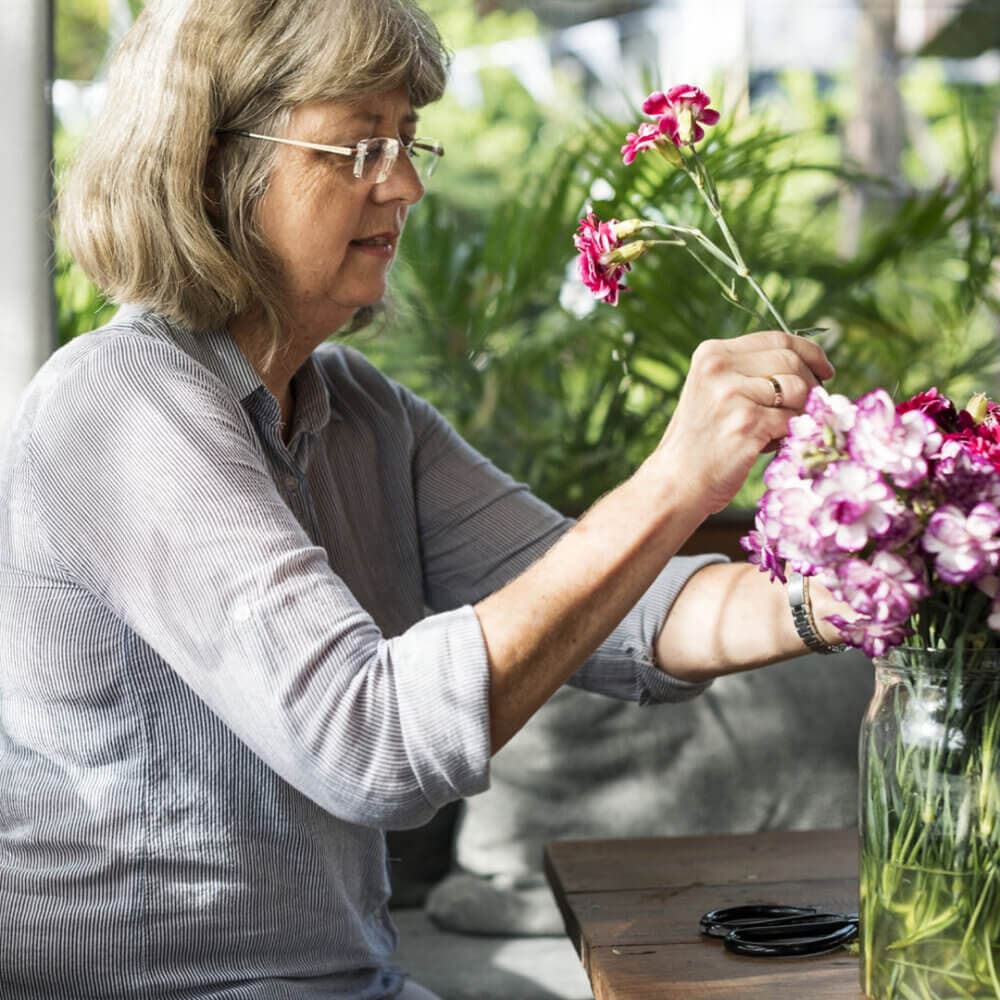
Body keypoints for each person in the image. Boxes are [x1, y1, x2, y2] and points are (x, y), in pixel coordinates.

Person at [0, 1, 843, 997]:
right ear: (210, 165)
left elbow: (631, 613)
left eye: (405, 143)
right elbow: (369, 743)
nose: (402, 185)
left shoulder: (359, 413)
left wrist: (851, 591)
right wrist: (674, 479)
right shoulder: (117, 405)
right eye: (358, 145)